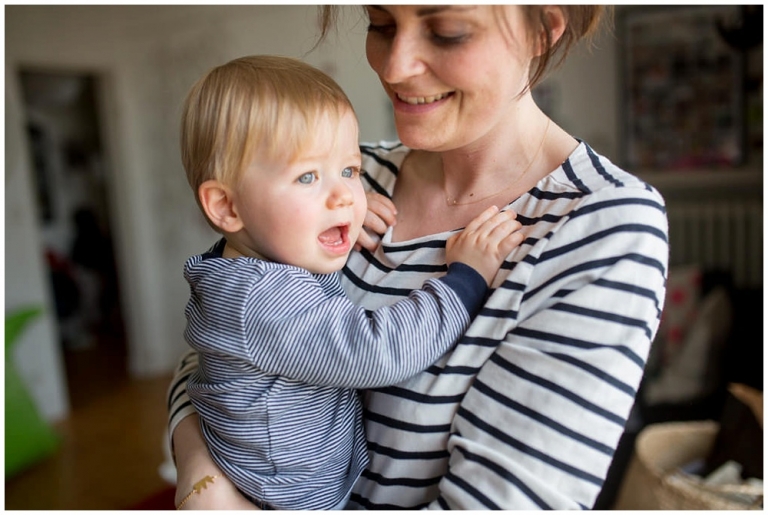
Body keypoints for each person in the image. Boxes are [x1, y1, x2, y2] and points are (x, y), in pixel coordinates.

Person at [168, 6, 669, 510]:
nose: (394, 68)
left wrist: (208, 488)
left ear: (542, 30)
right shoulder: (345, 184)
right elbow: (216, 357)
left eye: (446, 32)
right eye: (380, 24)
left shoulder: (602, 224)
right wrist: (200, 479)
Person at [176, 55, 523, 510]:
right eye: (307, 177)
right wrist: (466, 278)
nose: (344, 196)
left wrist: (336, 222)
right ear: (226, 207)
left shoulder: (248, 266)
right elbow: (378, 351)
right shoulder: (260, 298)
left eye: (350, 171)